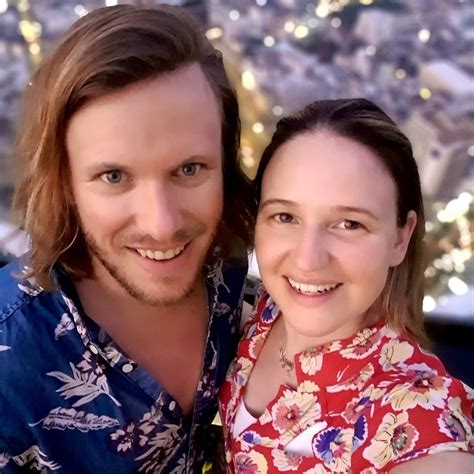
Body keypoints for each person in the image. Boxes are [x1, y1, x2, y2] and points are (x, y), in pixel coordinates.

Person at [0, 4, 254, 473]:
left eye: (189, 169)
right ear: (65, 184)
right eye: (114, 176)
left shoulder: (240, 280)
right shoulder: (9, 364)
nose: (162, 224)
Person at [219, 98, 473, 472]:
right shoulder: (265, 314)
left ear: (401, 238)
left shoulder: (415, 411)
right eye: (285, 216)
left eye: (349, 224)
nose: (307, 260)